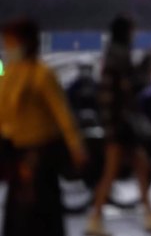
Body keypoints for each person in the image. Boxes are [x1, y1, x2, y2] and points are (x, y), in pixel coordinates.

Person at [0, 17, 87, 236]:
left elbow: (62, 114)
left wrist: (76, 146)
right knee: (18, 214)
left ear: (27, 43)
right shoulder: (8, 73)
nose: (8, 47)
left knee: (40, 212)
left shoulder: (42, 74)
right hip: (16, 152)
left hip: (42, 152)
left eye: (11, 42)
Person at [85, 15, 151, 236]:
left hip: (118, 121)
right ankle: (95, 219)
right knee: (112, 171)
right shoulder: (119, 55)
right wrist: (147, 65)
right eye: (132, 31)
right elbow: (131, 85)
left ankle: (149, 215)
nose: (135, 34)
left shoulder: (113, 53)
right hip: (120, 122)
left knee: (140, 166)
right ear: (125, 32)